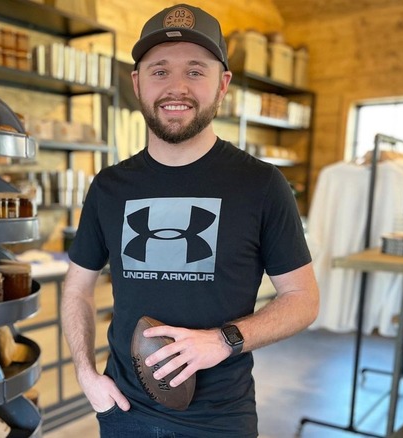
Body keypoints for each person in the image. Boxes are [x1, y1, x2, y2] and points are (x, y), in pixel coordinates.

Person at [60, 4, 320, 437]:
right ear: (137, 83)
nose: (176, 87)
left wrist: (223, 340)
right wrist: (86, 374)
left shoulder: (261, 184)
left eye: (195, 71)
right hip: (124, 411)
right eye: (159, 71)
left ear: (223, 85)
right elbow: (77, 288)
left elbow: (303, 299)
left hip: (220, 420)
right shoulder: (109, 186)